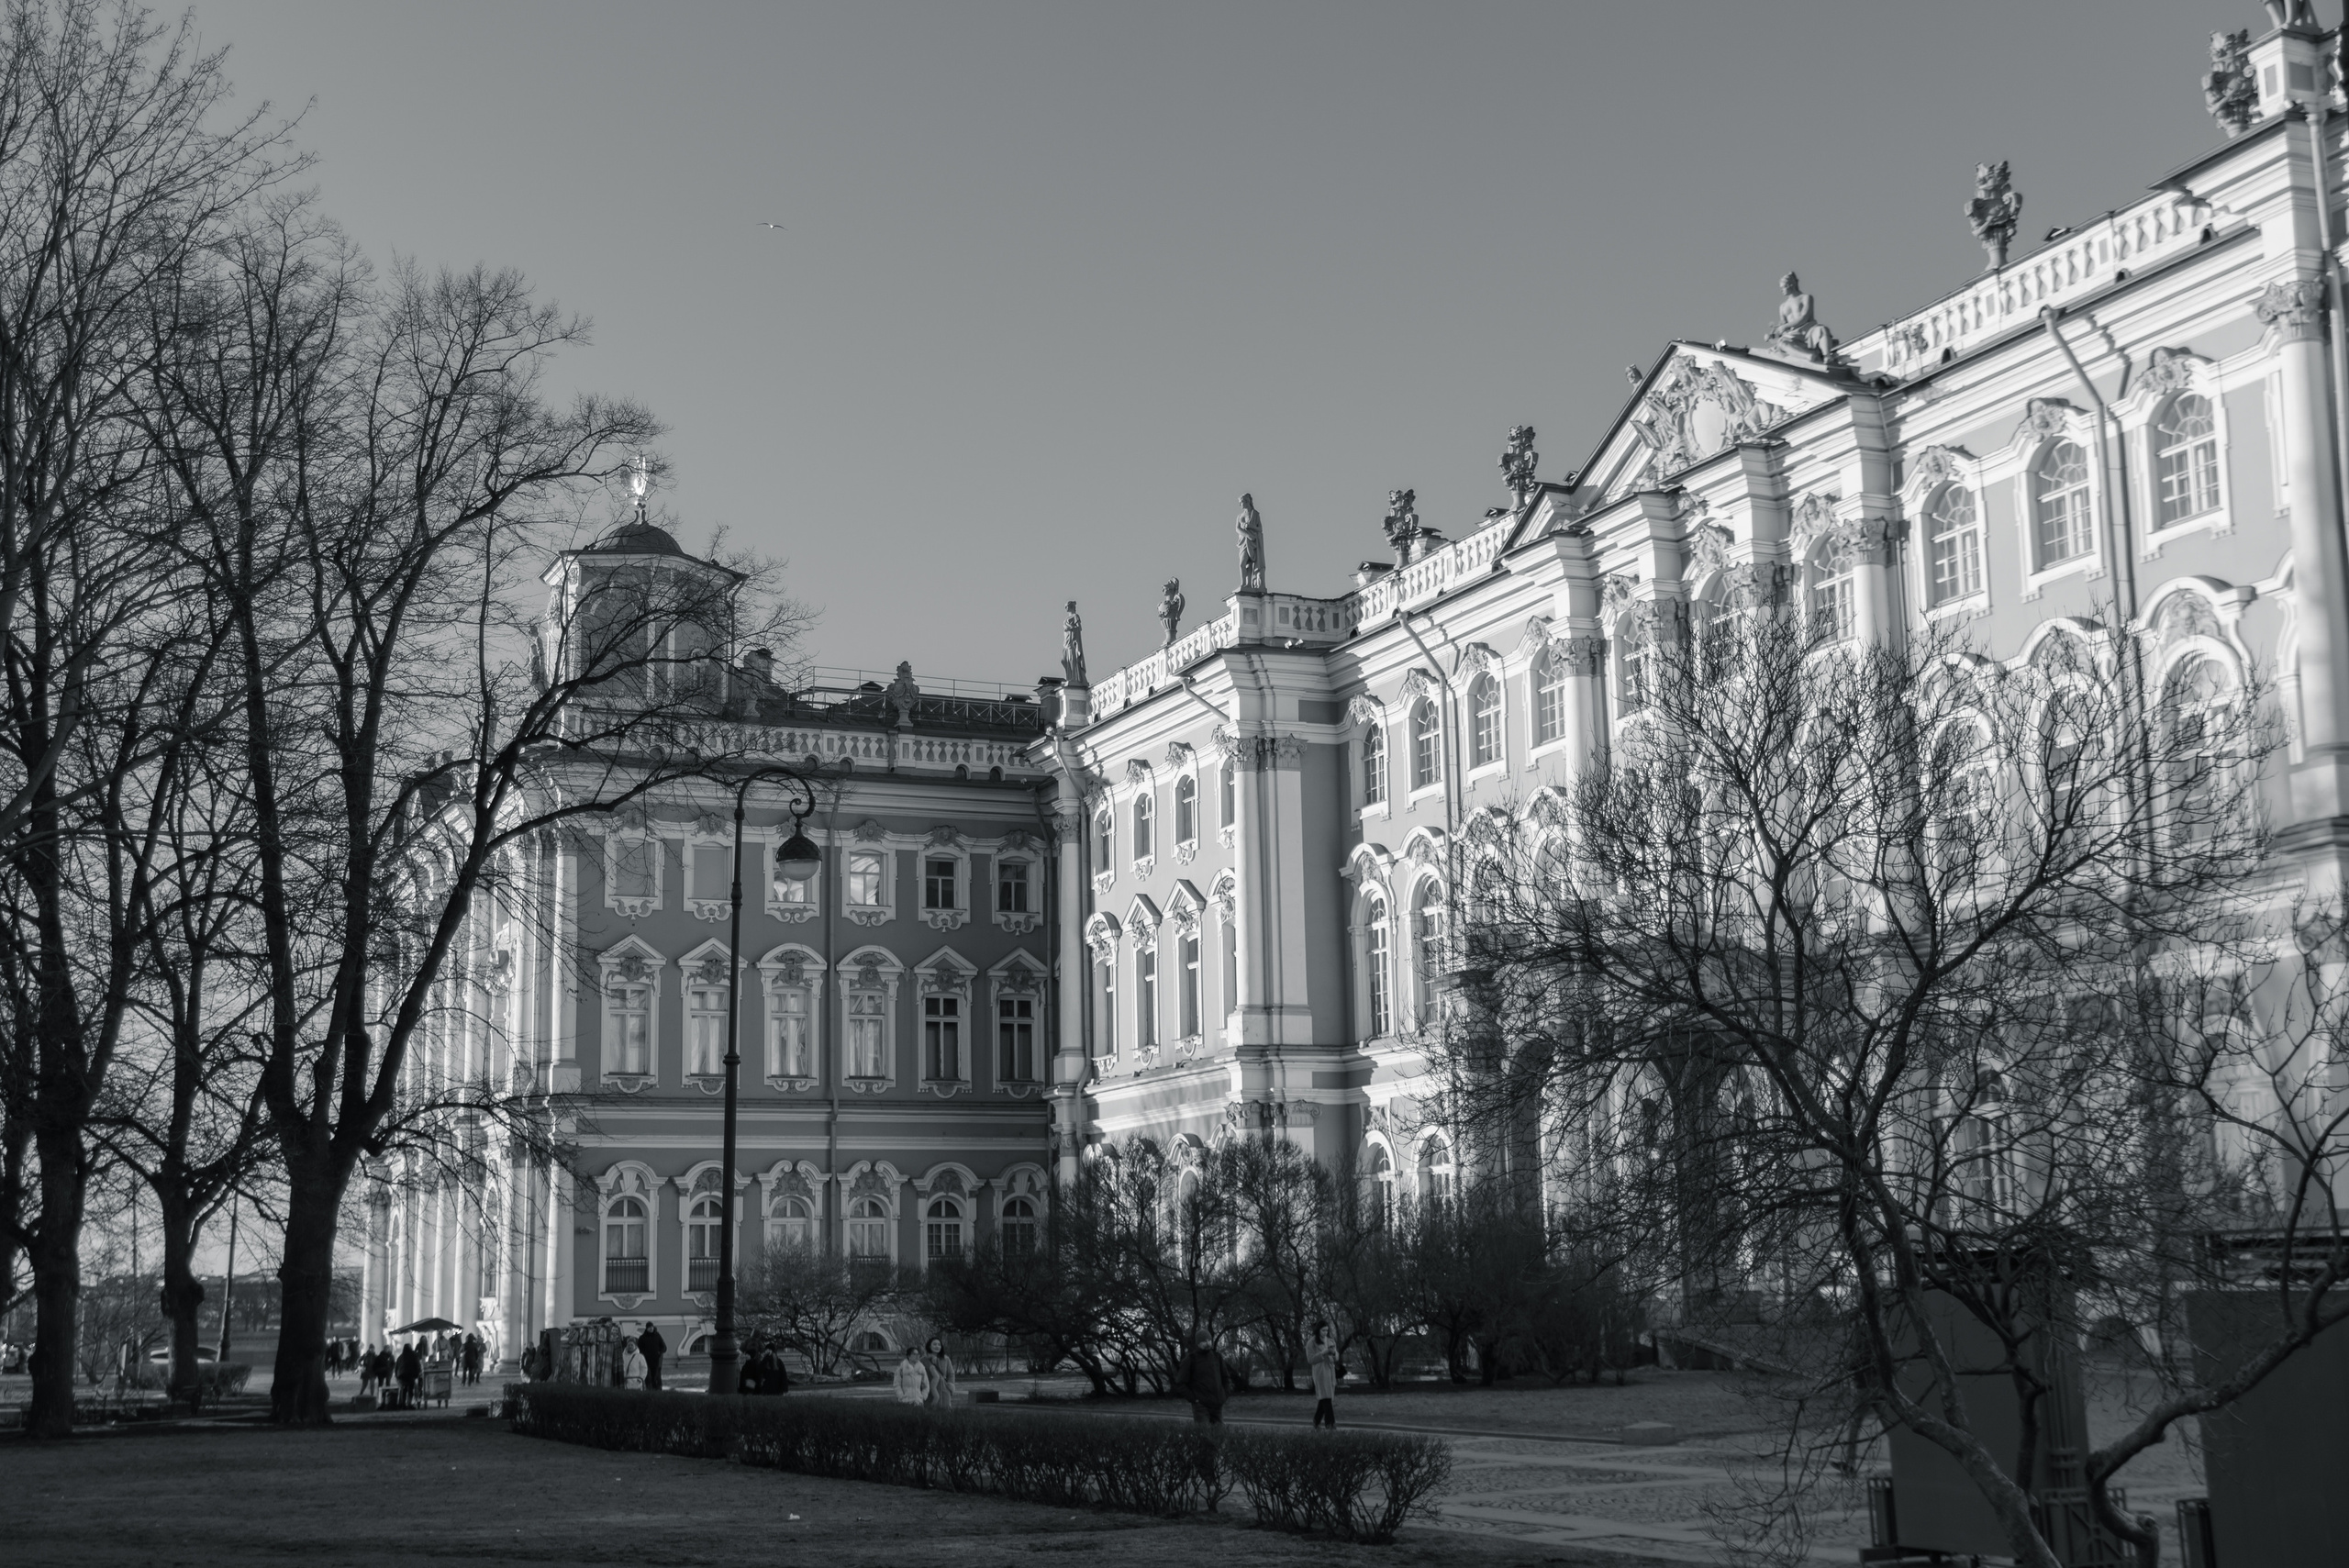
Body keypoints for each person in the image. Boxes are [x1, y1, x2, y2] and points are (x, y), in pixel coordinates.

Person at [1179, 1329, 1229, 1425]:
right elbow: (1181, 1383)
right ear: (1198, 1343)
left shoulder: (1217, 1357)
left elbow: (1226, 1378)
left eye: (1209, 1340)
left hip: (1217, 1405)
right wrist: (1194, 1399)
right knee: (1204, 1435)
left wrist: (1224, 1396)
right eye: (1204, 1341)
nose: (1208, 1343)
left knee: (1220, 1436)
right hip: (1201, 1407)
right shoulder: (1190, 1359)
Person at [1308, 1320, 1340, 1430]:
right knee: (1326, 1398)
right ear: (1318, 1330)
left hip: (1330, 1371)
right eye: (1323, 1330)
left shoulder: (1330, 1340)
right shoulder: (1311, 1343)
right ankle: (1330, 1425)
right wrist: (1323, 1353)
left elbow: (1337, 1357)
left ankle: (1316, 1421)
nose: (1325, 1332)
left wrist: (1334, 1353)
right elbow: (1310, 1359)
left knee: (1324, 1398)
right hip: (1320, 1372)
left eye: (1327, 1330)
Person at [922, 1336, 958, 1407]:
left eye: (939, 1345)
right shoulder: (923, 1360)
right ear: (929, 1346)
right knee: (930, 1412)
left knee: (945, 1413)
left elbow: (951, 1373)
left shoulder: (945, 1359)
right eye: (934, 1344)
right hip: (930, 1392)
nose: (937, 1346)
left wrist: (950, 1384)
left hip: (944, 1391)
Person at [636, 1320, 665, 1393]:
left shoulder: (657, 1336)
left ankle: (658, 1390)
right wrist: (643, 1354)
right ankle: (649, 1390)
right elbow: (639, 1348)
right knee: (648, 1376)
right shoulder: (642, 1338)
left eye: (651, 1327)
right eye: (649, 1327)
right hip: (646, 1361)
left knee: (656, 1376)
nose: (651, 1329)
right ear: (646, 1329)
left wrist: (659, 1352)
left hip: (656, 1360)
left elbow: (664, 1347)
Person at [395, 1341, 422, 1408]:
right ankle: (409, 1403)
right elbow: (417, 1365)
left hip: (401, 1376)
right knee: (410, 1389)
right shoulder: (414, 1355)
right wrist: (418, 1373)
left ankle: (402, 1403)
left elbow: (396, 1367)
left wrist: (397, 1376)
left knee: (403, 1390)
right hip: (410, 1376)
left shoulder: (400, 1357)